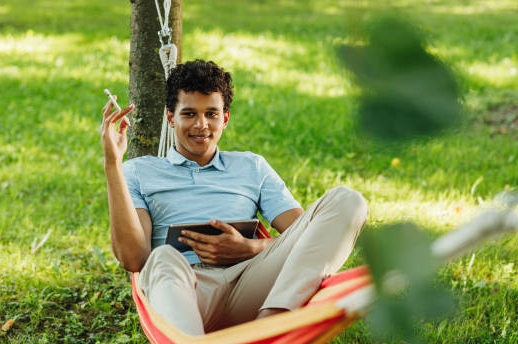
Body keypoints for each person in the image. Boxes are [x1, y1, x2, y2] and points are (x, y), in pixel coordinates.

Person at [100, 59, 368, 336]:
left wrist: (249, 249)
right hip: (184, 291)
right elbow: (133, 259)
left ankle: (273, 323)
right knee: (162, 257)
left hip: (251, 286)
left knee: (347, 200)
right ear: (171, 118)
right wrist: (113, 164)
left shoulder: (252, 167)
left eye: (212, 114)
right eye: (189, 114)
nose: (201, 125)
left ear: (225, 118)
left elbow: (304, 236)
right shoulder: (139, 172)